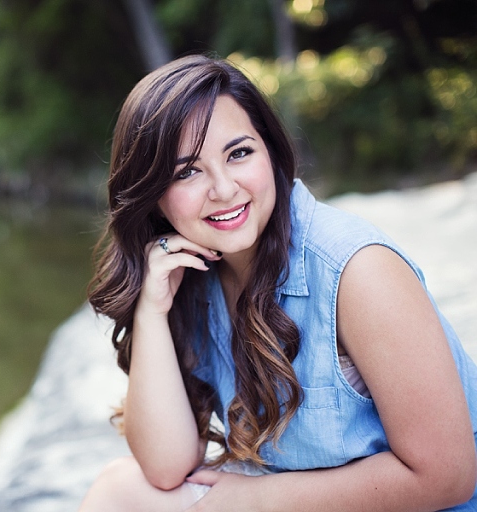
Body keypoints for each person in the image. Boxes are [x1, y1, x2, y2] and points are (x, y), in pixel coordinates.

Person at [79, 54, 477, 512]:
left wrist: (259, 499)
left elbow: (448, 476)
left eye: (239, 153)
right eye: (187, 171)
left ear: (270, 151)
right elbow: (166, 466)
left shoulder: (357, 270)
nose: (224, 189)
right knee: (120, 491)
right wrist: (151, 311)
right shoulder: (196, 275)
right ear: (153, 197)